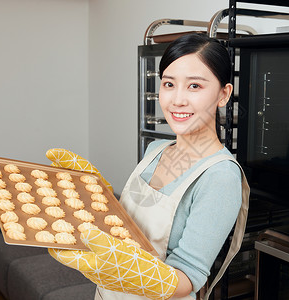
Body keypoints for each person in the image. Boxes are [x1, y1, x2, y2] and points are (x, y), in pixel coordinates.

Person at [48, 33, 249, 300]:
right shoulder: (156, 149)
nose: (177, 100)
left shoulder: (220, 177)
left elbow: (188, 279)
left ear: (224, 94)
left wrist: (133, 274)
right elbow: (127, 229)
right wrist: (98, 196)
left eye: (195, 87)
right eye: (168, 84)